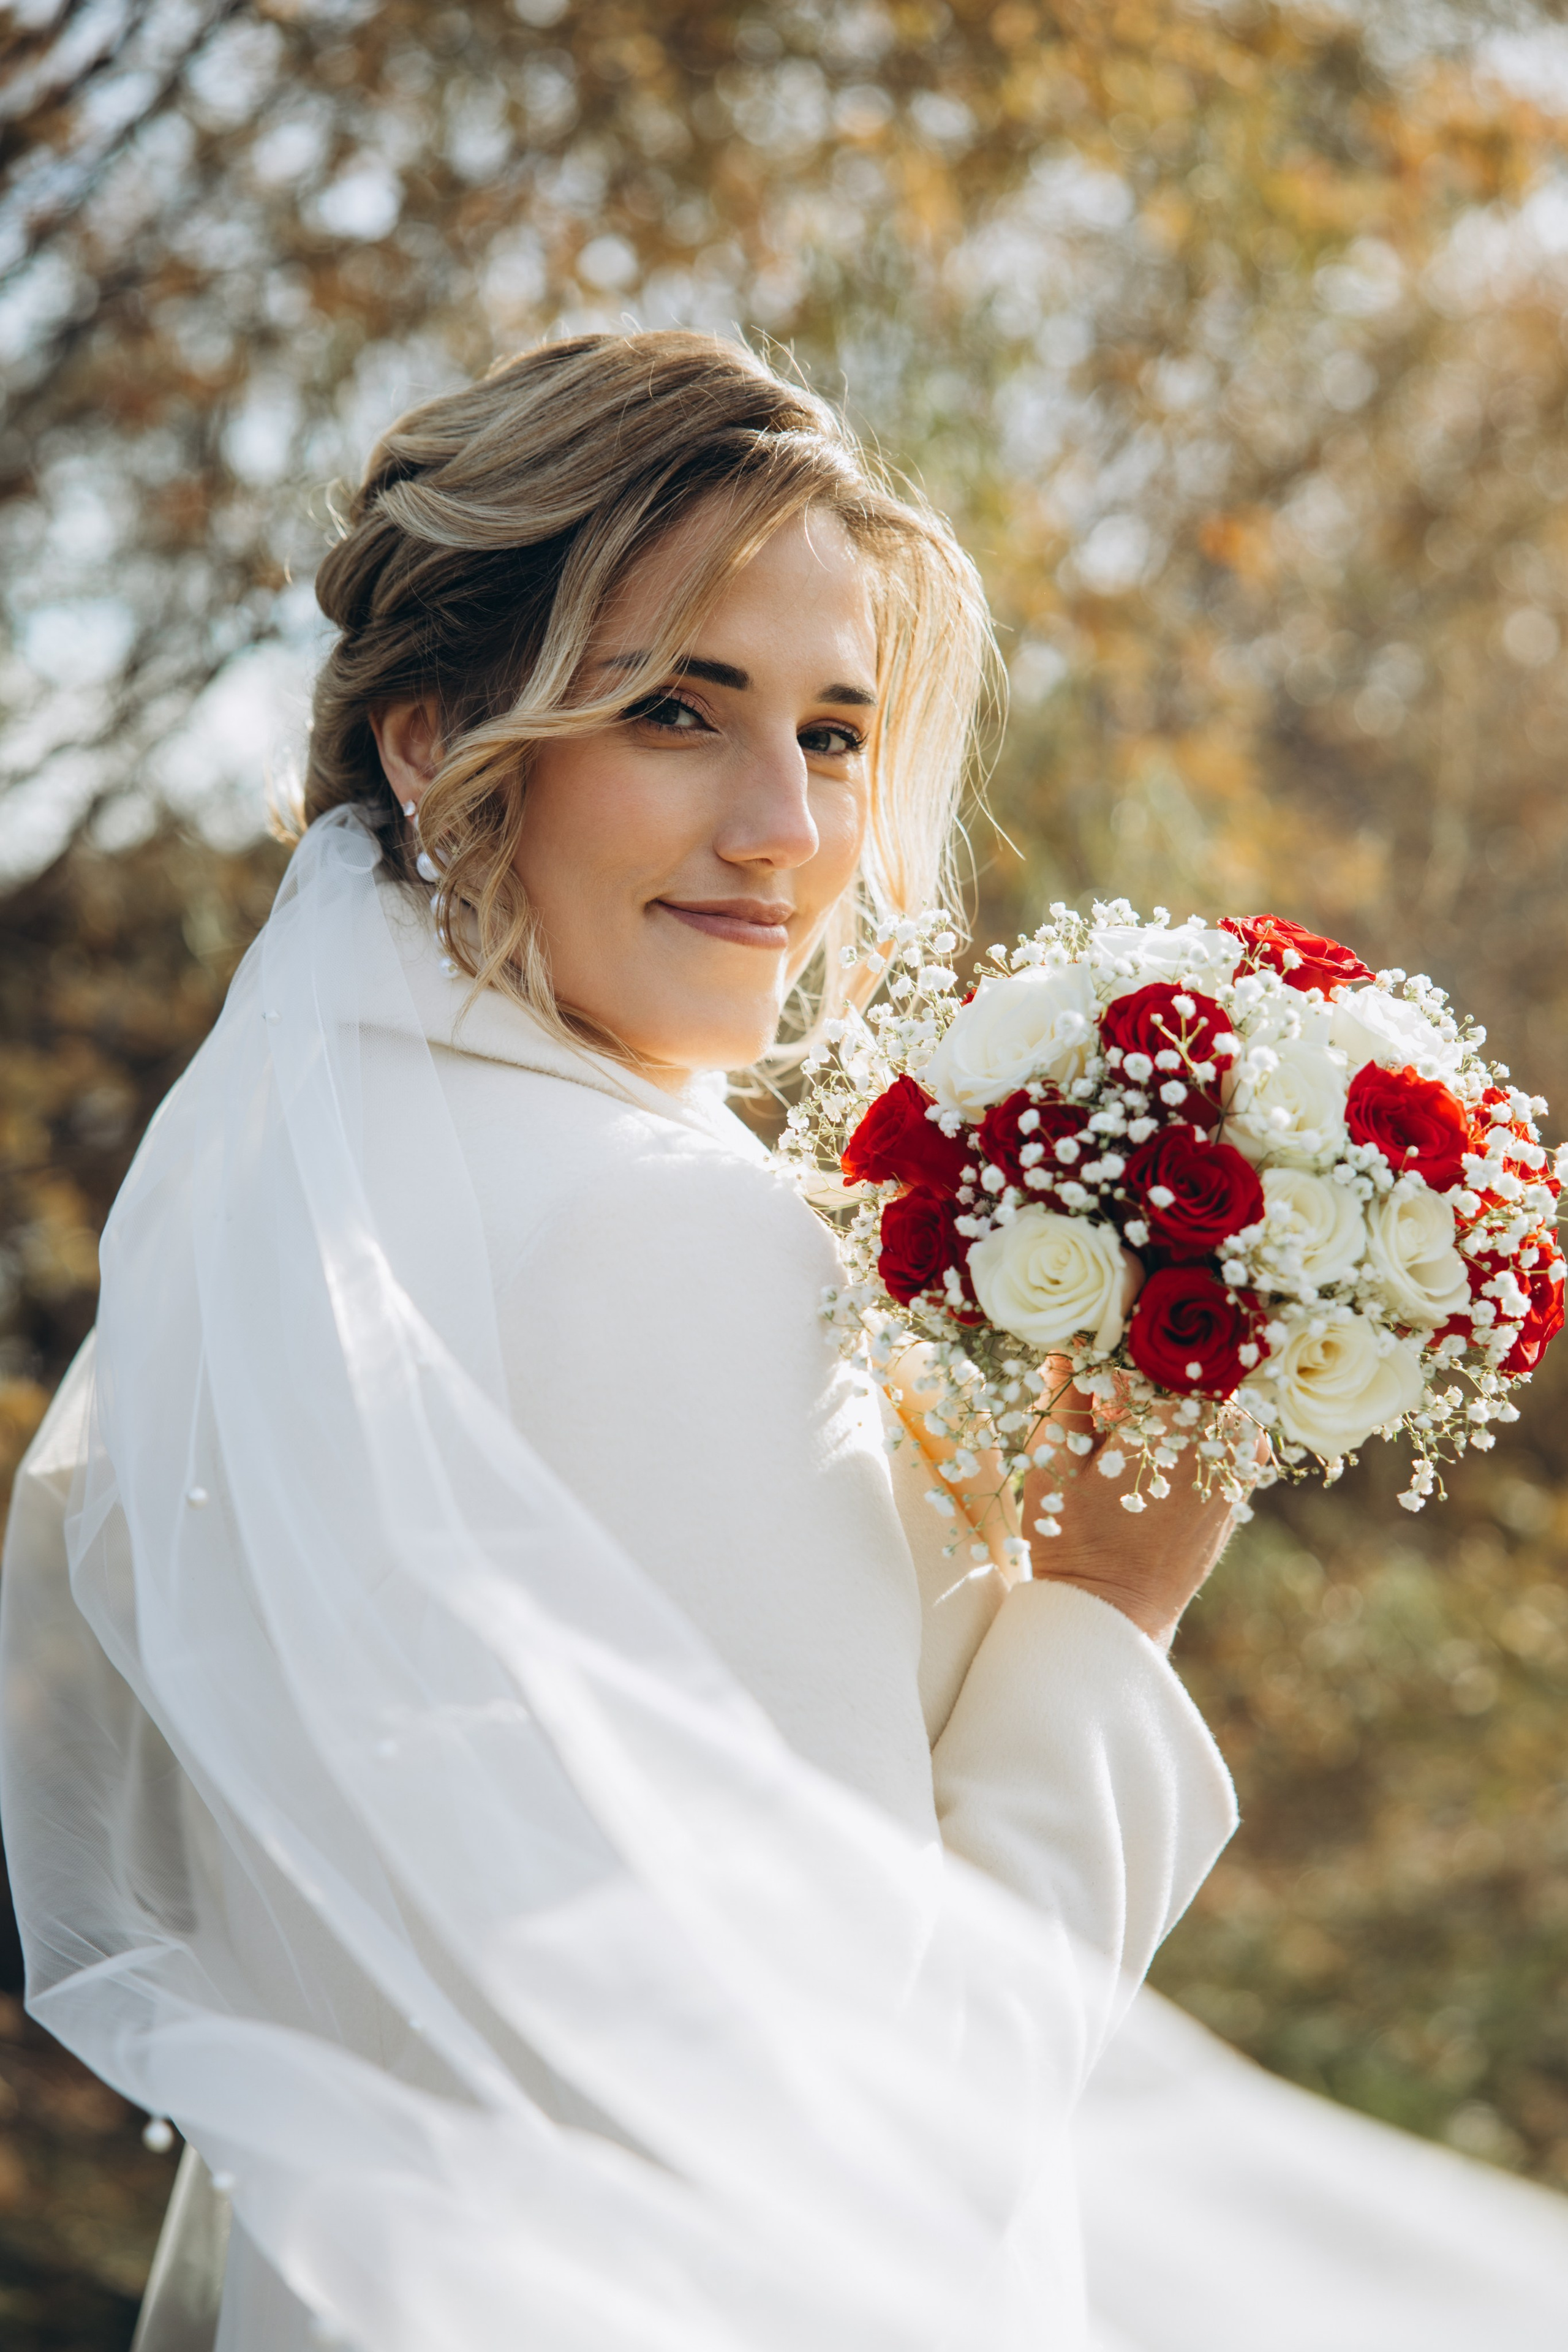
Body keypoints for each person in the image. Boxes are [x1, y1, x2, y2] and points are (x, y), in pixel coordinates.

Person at [2, 332, 1565, 2352]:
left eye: (836, 734)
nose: (783, 830)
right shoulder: (660, 1234)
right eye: (676, 710)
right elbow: (880, 2134)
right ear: (436, 740)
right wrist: (1104, 1600)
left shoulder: (355, 1191)